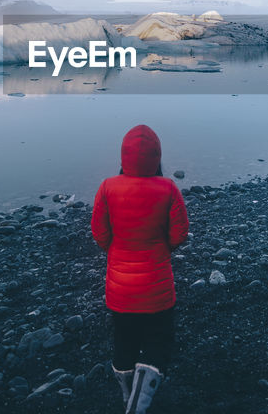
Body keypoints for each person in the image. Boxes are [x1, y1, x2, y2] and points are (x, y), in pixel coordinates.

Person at [91, 124, 189, 414]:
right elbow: (180, 233)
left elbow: (99, 233)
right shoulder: (168, 188)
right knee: (159, 342)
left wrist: (117, 251)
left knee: (124, 341)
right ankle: (139, 403)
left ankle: (127, 394)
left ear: (123, 157)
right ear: (157, 156)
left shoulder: (108, 187)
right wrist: (163, 249)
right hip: (157, 289)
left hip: (120, 291)